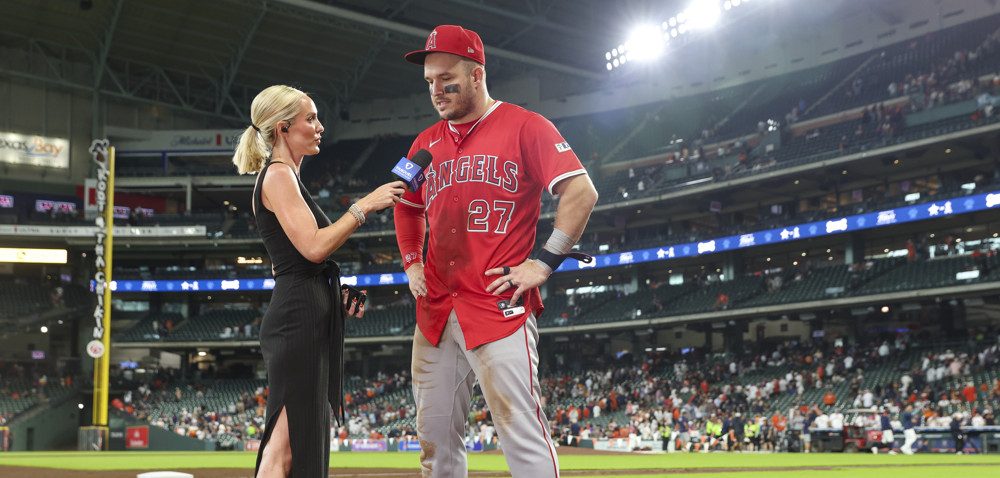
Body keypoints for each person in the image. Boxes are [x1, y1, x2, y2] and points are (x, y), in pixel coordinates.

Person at [394, 25, 599, 477]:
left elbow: (581, 192)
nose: (436, 90)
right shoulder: (423, 143)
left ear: (475, 74)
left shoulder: (526, 125)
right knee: (434, 439)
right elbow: (405, 206)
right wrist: (411, 262)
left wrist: (544, 262)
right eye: (428, 82)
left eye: (446, 78)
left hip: (497, 304)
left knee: (520, 432)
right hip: (435, 309)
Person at [232, 84, 405, 478]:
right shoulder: (278, 176)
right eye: (311, 118)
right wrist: (364, 206)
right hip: (297, 322)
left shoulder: (287, 177)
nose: (320, 126)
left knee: (291, 446)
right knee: (283, 453)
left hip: (304, 315)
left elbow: (301, 262)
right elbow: (312, 248)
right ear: (282, 128)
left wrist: (334, 293)